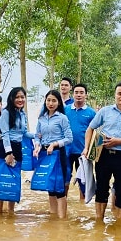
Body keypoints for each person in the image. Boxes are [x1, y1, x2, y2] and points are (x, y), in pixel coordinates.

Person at [82, 82, 121, 220]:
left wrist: (118, 141)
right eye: (120, 93)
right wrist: (87, 148)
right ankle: (99, 220)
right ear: (115, 95)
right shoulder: (105, 111)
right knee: (101, 188)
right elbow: (90, 128)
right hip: (103, 155)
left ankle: (120, 222)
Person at [0, 87, 36, 214]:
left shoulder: (22, 114)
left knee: (13, 180)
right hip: (5, 149)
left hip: (18, 148)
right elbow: (5, 134)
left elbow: (23, 133)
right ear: (12, 98)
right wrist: (8, 153)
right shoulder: (6, 113)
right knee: (1, 180)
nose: (20, 99)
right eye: (17, 97)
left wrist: (38, 135)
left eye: (22, 97)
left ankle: (11, 212)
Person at [33, 90, 73, 218]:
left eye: (54, 100)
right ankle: (53, 217)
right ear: (45, 101)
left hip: (57, 153)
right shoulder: (41, 118)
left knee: (59, 188)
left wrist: (54, 144)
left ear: (59, 102)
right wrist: (37, 146)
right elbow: (37, 135)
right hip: (44, 154)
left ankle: (62, 220)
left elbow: (69, 138)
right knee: (50, 187)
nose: (50, 103)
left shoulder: (62, 118)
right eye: (48, 100)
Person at [65, 83, 96, 200]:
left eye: (81, 93)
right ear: (73, 94)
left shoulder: (92, 113)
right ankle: (64, 203)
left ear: (86, 95)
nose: (78, 95)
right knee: (65, 178)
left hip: (83, 152)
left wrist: (90, 150)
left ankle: (82, 207)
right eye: (76, 92)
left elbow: (95, 134)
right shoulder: (65, 110)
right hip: (67, 150)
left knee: (83, 181)